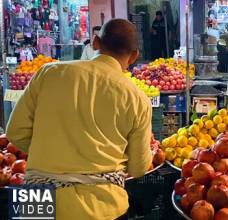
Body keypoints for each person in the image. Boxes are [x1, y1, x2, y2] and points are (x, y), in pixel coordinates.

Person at [6, 19, 152, 219]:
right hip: (103, 205)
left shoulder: (50, 73)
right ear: (134, 56)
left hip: (38, 197)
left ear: (95, 42)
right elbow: (138, 167)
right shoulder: (137, 98)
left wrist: (52, 152)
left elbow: (15, 131)